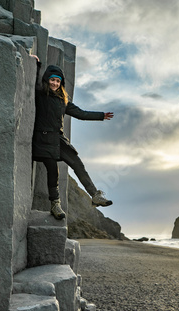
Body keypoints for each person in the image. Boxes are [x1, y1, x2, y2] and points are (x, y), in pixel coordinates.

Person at [30, 55, 114, 219]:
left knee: (77, 163)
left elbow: (81, 114)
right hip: (43, 140)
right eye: (52, 80)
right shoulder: (40, 94)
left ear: (61, 83)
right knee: (53, 173)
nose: (55, 83)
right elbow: (32, 81)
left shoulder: (63, 101)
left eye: (58, 81)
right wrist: (37, 64)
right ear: (47, 80)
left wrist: (101, 116)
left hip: (58, 140)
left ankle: (95, 195)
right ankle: (55, 206)